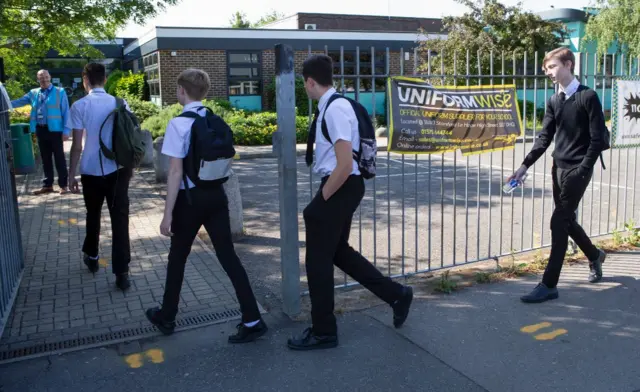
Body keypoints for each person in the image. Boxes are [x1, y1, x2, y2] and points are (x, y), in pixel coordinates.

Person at [287, 54, 413, 351]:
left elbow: (344, 164)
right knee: (338, 252)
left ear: (310, 81)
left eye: (304, 84)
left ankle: (323, 331)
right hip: (344, 185)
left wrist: (320, 201)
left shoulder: (333, 110)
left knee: (317, 261)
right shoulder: (336, 104)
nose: (305, 88)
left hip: (340, 185)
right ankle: (396, 295)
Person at [145, 68, 266, 343]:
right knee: (228, 257)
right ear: (205, 92)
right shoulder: (214, 120)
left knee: (177, 258)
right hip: (217, 196)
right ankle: (253, 318)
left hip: (190, 202)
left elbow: (175, 172)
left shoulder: (178, 124)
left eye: (178, 89)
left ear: (182, 91)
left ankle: (167, 316)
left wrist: (167, 215)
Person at [507, 47, 608, 304]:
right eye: (546, 69)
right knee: (566, 221)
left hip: (578, 170)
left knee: (558, 222)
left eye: (551, 67)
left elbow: (597, 140)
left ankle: (549, 284)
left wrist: (583, 169)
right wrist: (524, 166)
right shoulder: (555, 101)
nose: (548, 73)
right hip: (558, 168)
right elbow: (544, 138)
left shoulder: (588, 97)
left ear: (568, 64)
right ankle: (595, 255)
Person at [67, 63, 132, 291]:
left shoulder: (79, 106)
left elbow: (76, 145)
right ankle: (122, 273)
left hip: (90, 170)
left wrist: (70, 174)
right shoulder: (120, 103)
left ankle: (93, 257)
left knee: (93, 214)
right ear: (105, 79)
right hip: (118, 170)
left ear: (85, 79)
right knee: (119, 220)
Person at [11, 69, 70, 195]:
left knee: (59, 158)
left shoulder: (60, 92)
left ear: (50, 77)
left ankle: (64, 185)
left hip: (55, 130)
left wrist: (66, 130)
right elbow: (19, 102)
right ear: (37, 79)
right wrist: (5, 103)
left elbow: (66, 112)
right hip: (40, 129)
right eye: (41, 77)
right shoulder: (33, 93)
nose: (44, 79)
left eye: (46, 76)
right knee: (45, 159)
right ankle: (47, 185)